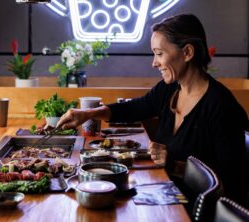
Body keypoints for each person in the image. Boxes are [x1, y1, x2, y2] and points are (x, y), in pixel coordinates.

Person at [56, 14, 248, 205]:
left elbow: (230, 186)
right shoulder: (170, 89)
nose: (154, 62)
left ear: (187, 52)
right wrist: (86, 114)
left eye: (159, 53)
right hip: (165, 193)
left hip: (191, 211)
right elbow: (134, 108)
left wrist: (175, 166)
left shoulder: (222, 108)